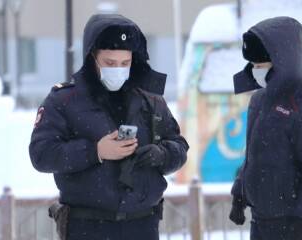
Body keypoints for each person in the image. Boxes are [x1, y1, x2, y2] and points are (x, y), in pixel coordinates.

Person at [29, 14, 189, 240]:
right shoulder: (64, 100)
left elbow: (180, 147)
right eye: (110, 63)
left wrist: (161, 154)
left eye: (125, 63)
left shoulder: (150, 99)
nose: (118, 69)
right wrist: (95, 152)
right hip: (87, 226)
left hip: (142, 225)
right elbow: (41, 154)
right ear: (92, 58)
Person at [229, 17, 302, 240]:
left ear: (280, 62)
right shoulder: (261, 100)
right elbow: (254, 154)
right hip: (261, 220)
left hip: (291, 223)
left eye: (261, 66)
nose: (255, 71)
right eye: (253, 66)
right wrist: (239, 192)